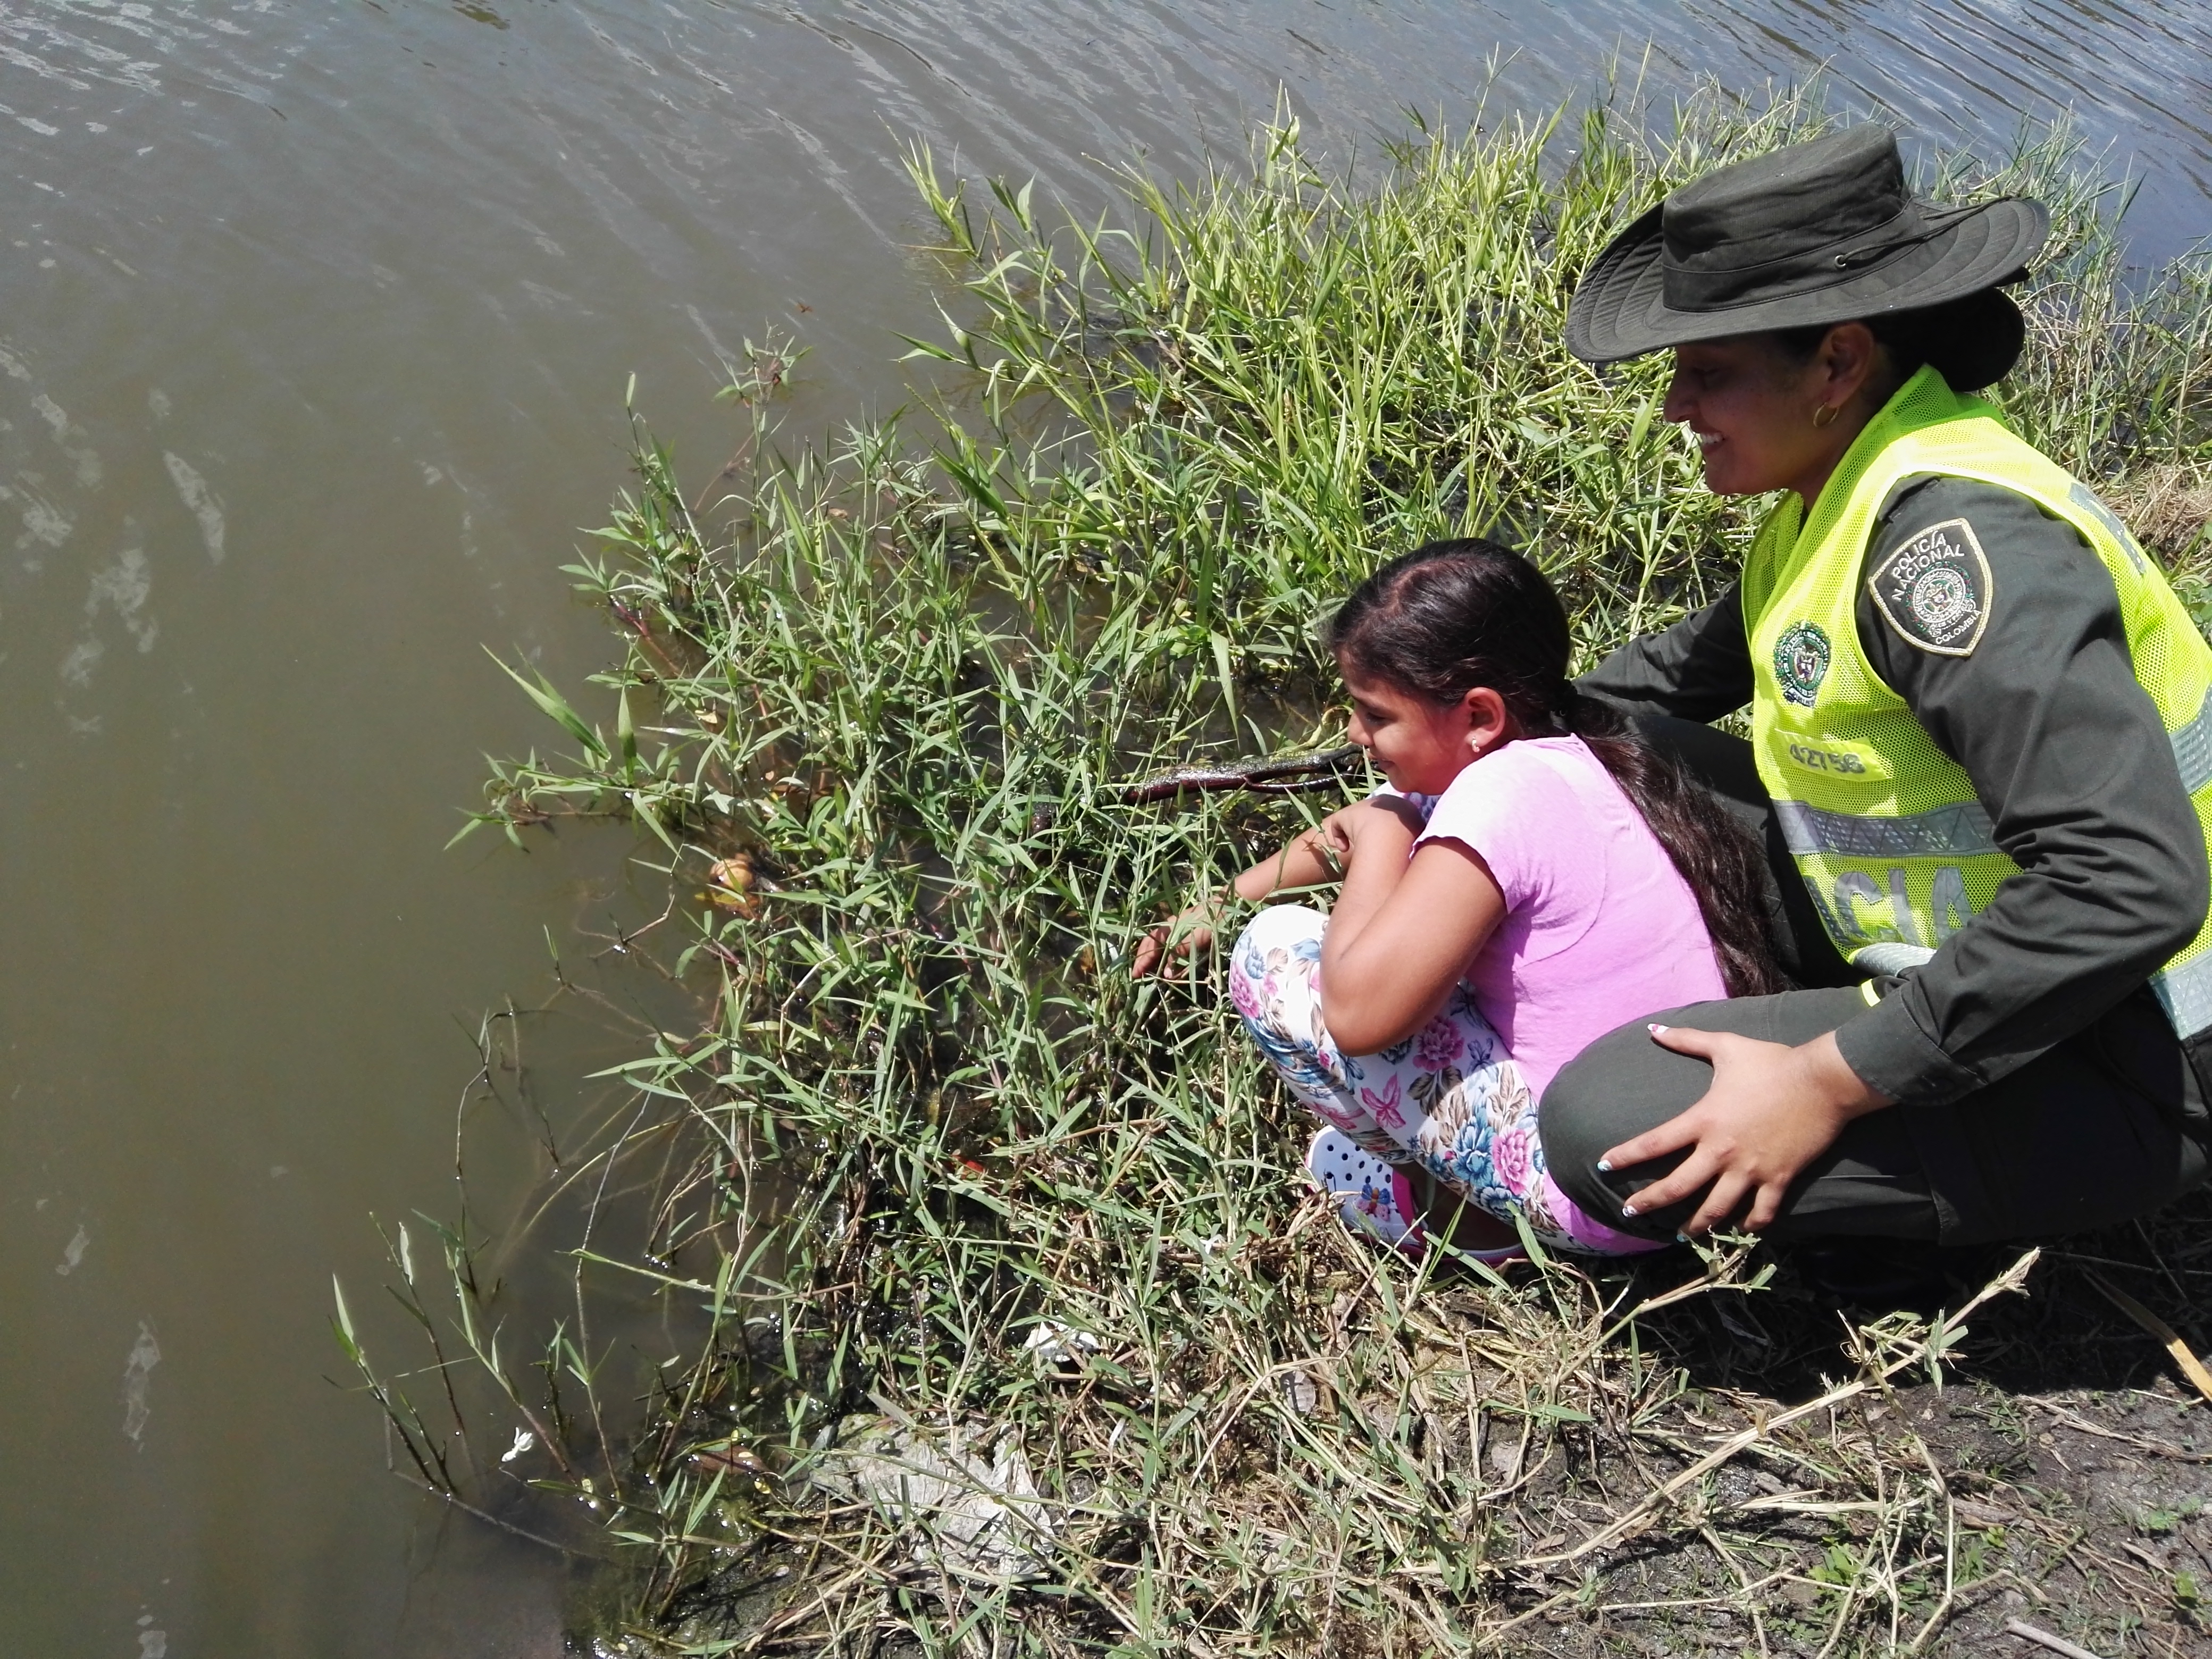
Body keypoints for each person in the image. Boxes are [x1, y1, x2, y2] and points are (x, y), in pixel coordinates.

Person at [1536, 124, 2212, 1255]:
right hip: (1984, 942)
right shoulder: (1838, 492)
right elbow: (1660, 683)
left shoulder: (1953, 554)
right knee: (1610, 750)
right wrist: (1468, 739)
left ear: (1838, 365)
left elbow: (2130, 884)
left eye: (1709, 372)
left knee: (1606, 1129)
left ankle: (1922, 1226)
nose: (1674, 406)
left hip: (2138, 1036)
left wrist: (1830, 1080)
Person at [1134, 539, 1780, 1258]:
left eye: (1375, 715)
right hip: (1684, 1167)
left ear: (1478, 716)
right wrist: (1220, 902)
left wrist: (1383, 835)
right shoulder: (1575, 749)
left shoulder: (1501, 797)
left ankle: (1464, 1219)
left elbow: (1357, 1018)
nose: (1353, 734)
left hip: (1597, 1200)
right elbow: (1355, 826)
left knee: (1273, 952)